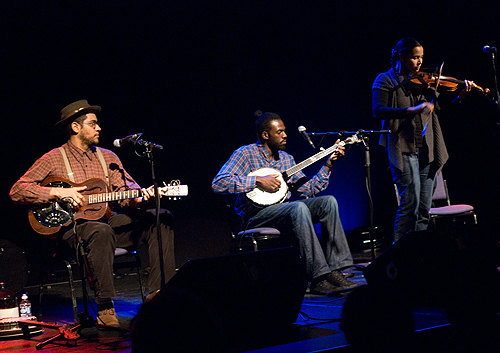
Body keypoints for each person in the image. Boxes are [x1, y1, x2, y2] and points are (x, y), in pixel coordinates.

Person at [9, 100, 176, 327]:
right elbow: (17, 190)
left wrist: (138, 197)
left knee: (161, 216)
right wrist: (56, 192)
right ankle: (105, 305)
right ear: (76, 128)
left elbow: (125, 196)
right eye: (93, 124)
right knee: (100, 230)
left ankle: (158, 295)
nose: (99, 128)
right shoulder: (53, 158)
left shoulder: (109, 158)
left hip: (107, 222)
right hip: (72, 229)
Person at [212, 110, 356, 295]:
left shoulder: (287, 159)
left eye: (285, 131)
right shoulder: (245, 154)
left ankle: (337, 270)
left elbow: (308, 190)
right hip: (255, 215)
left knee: (328, 202)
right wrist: (256, 181)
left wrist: (328, 164)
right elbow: (218, 183)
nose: (285, 135)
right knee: (298, 208)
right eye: (279, 132)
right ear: (265, 135)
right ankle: (318, 277)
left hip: (283, 211)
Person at [372, 37, 477, 242]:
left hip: (427, 148)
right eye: (414, 58)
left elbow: (441, 112)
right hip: (403, 147)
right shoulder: (385, 80)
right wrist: (410, 110)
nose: (419, 63)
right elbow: (378, 111)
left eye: (421, 57)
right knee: (410, 204)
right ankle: (400, 253)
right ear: (400, 56)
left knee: (423, 208)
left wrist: (461, 96)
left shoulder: (424, 82)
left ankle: (418, 251)